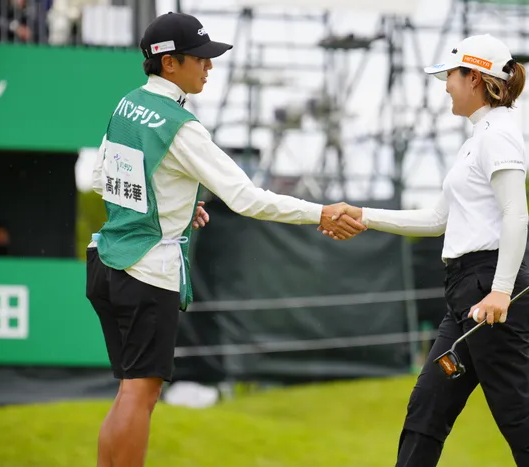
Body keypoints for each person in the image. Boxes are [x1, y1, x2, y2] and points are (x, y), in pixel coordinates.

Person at [86, 12, 365, 467]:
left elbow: (103, 178)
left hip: (105, 262)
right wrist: (321, 212)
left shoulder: (127, 104)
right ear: (169, 63)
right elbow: (247, 199)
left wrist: (175, 204)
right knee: (140, 394)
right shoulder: (182, 125)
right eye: (200, 58)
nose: (209, 66)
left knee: (128, 391)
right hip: (146, 271)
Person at [323, 34, 529, 466]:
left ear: (475, 78)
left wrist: (502, 291)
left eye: (450, 75)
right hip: (467, 295)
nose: (446, 85)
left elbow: (516, 214)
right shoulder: (478, 137)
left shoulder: (498, 135)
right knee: (427, 408)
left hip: (490, 294)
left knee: (518, 418)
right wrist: (364, 215)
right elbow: (437, 220)